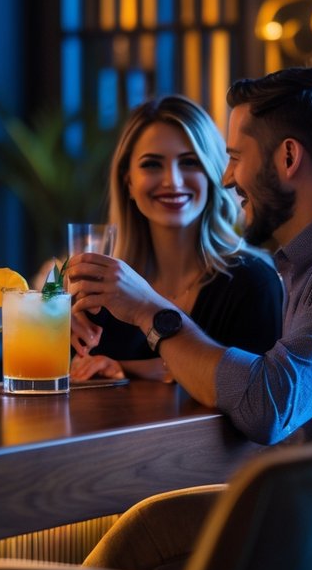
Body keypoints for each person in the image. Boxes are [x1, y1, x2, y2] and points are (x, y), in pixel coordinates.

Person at [69, 67, 312, 513]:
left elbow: (266, 406)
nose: (227, 178)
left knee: (141, 533)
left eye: (236, 156)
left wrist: (150, 312)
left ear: (288, 157)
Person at [71, 95, 282, 383]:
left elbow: (253, 393)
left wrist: (128, 369)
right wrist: (59, 329)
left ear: (214, 174)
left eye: (189, 162)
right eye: (152, 165)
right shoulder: (103, 289)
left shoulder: (253, 283)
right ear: (128, 182)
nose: (173, 181)